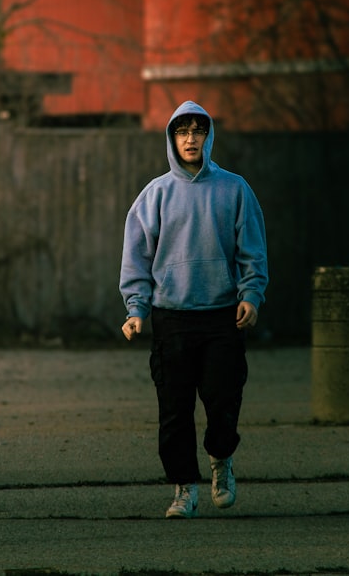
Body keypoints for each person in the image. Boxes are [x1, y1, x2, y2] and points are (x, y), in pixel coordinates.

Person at [119, 100, 268, 519]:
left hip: (223, 316)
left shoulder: (234, 189)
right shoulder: (155, 195)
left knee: (223, 402)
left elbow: (252, 251)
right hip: (172, 319)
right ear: (172, 138)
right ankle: (184, 488)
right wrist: (136, 309)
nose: (189, 139)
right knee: (175, 411)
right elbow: (136, 257)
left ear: (208, 137)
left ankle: (221, 460)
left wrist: (251, 296)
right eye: (181, 132)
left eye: (196, 131)